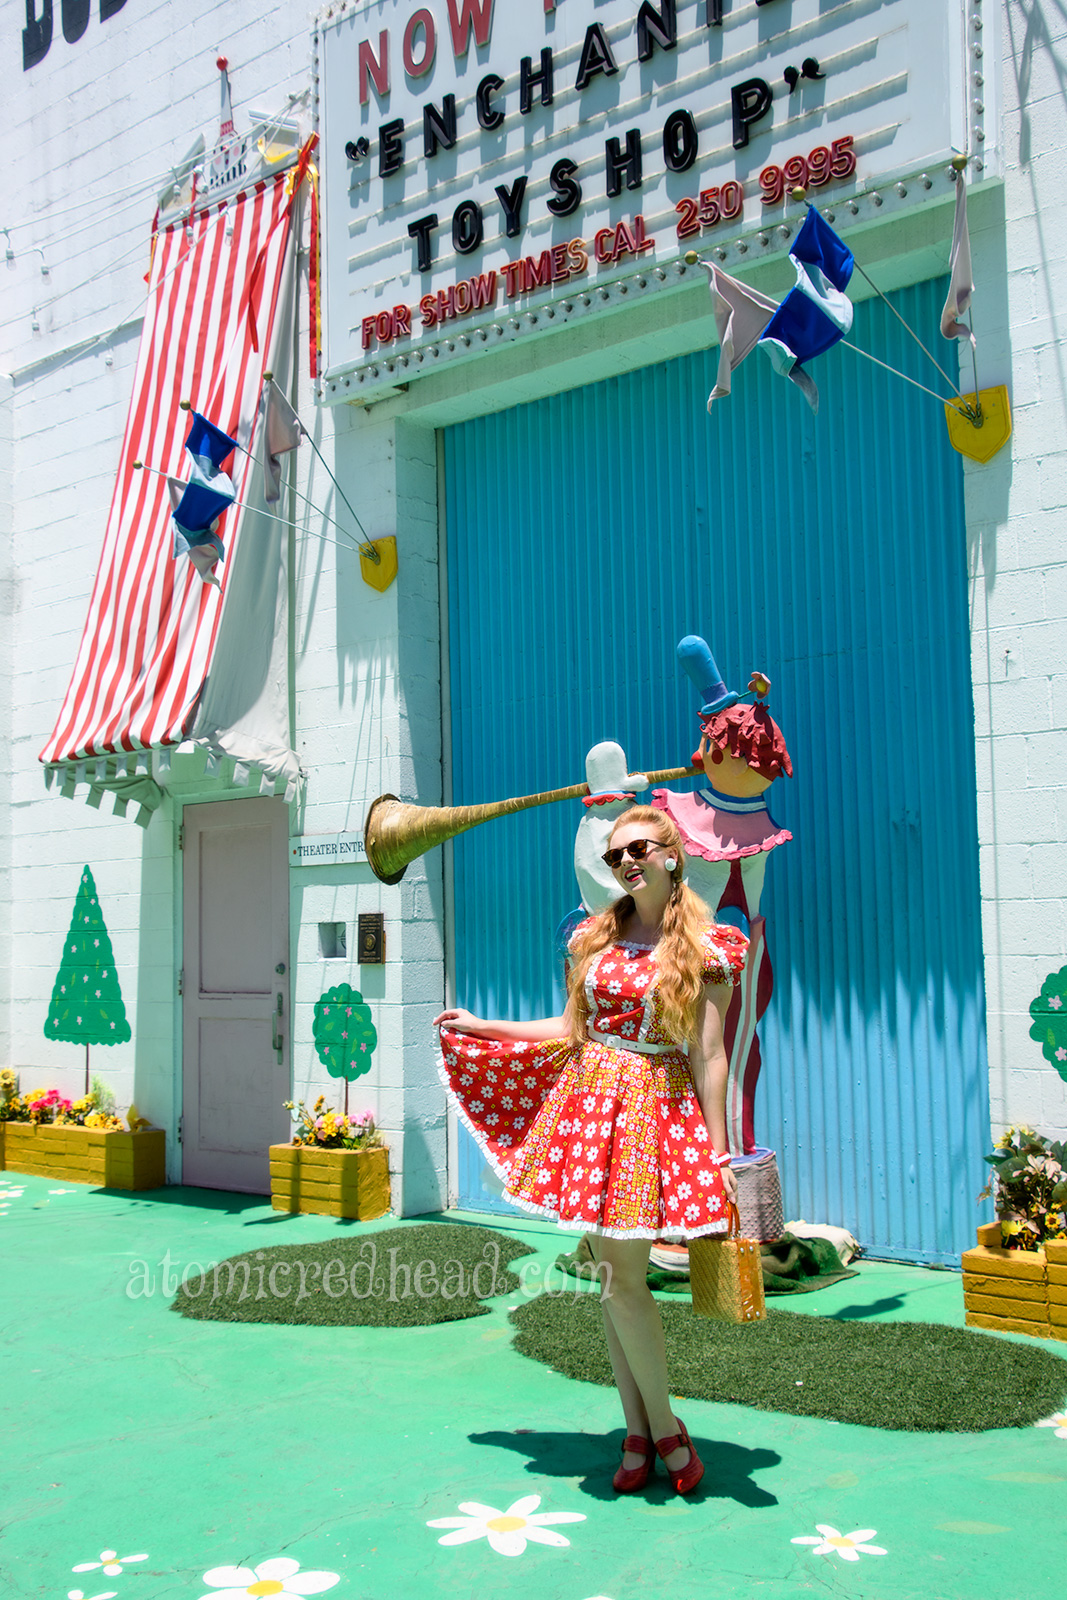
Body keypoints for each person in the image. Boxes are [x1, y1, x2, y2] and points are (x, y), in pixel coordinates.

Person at [434, 804, 747, 1496]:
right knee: (614, 1282)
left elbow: (709, 1052)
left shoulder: (709, 945)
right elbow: (571, 1029)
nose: (625, 862)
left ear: (671, 853)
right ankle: (642, 1431)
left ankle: (660, 1428)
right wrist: (485, 1024)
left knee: (625, 1283)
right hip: (588, 1113)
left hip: (648, 1115)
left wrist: (719, 1153)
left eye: (637, 848)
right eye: (614, 855)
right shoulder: (593, 937)